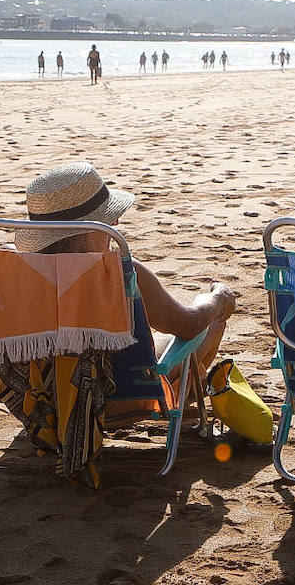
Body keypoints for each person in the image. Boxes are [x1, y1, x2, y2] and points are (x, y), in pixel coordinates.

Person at [14, 162, 238, 418]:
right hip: (116, 397)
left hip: (40, 401)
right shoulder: (120, 272)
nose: (117, 220)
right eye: (109, 218)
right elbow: (188, 324)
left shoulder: (15, 275)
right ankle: (177, 396)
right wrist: (216, 299)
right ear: (95, 227)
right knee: (212, 322)